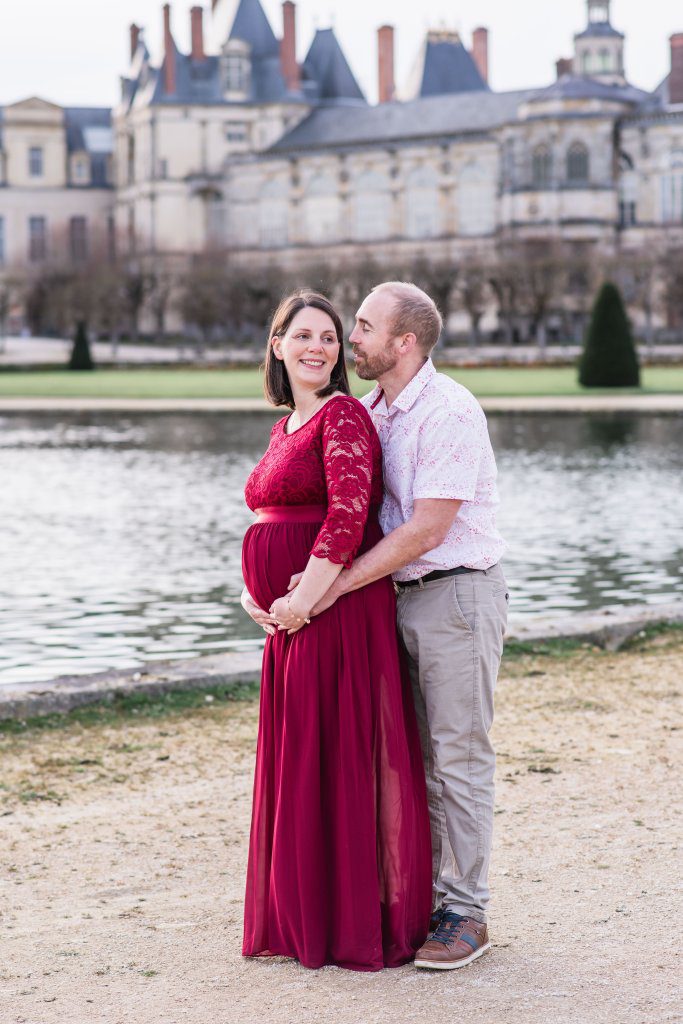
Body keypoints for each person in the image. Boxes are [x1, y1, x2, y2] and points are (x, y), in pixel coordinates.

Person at [295, 281, 508, 971]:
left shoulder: (447, 411)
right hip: (393, 601)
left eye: (361, 326)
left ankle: (465, 912)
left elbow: (425, 529)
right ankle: (423, 899)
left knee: (458, 758)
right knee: (409, 760)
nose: (349, 338)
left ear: (402, 341)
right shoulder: (370, 410)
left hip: (455, 596)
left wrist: (333, 589)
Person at [239, 290, 431, 972]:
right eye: (303, 336)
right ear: (277, 345)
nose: (318, 346)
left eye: (328, 336)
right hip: (288, 620)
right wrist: (249, 594)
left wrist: (304, 603)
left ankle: (346, 922)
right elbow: (266, 522)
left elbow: (347, 518)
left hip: (333, 615)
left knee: (338, 758)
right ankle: (303, 916)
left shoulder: (343, 414)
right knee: (304, 762)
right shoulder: (286, 425)